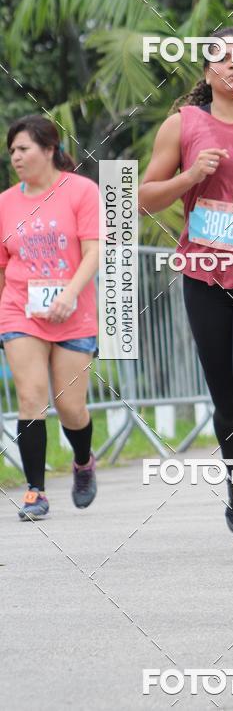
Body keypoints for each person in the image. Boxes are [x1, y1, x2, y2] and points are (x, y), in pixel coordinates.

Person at [139, 28, 233, 553]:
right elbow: (142, 199)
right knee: (227, 399)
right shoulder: (184, 123)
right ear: (207, 71)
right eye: (222, 58)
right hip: (206, 275)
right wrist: (190, 176)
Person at [0, 115, 99, 520]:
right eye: (12, 151)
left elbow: (93, 251)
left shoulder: (81, 191)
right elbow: (3, 266)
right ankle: (35, 491)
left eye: (23, 149)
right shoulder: (5, 203)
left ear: (49, 149)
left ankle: (83, 461)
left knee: (71, 407)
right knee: (31, 398)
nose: (16, 157)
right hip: (20, 312)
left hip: (73, 313)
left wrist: (69, 294)